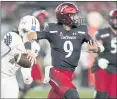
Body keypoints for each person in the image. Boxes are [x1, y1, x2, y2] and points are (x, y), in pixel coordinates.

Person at [27, 2, 104, 99]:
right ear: (64, 16)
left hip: (69, 75)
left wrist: (97, 48)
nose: (76, 17)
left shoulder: (81, 30)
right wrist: (27, 33)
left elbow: (98, 46)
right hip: (56, 73)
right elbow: (32, 36)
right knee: (73, 95)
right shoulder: (52, 29)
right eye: (73, 15)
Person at [1, 15, 40, 98]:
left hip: (10, 77)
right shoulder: (13, 37)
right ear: (22, 29)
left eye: (34, 33)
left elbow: (26, 64)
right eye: (28, 32)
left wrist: (27, 76)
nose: (31, 36)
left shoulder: (35, 47)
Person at [92, 9, 117, 99]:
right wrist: (99, 60)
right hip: (102, 66)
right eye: (115, 19)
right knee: (101, 94)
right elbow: (93, 49)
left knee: (113, 96)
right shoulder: (102, 32)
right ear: (110, 20)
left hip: (115, 68)